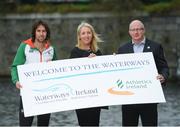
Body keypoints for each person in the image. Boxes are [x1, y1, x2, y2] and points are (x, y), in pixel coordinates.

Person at [117, 19, 169, 126]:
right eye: (133, 30)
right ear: (129, 32)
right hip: (129, 99)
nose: (136, 32)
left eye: (139, 29)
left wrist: (163, 76)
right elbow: (118, 73)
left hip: (149, 98)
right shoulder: (122, 49)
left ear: (144, 30)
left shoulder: (155, 47)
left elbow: (164, 67)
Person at [11, 20, 57, 126]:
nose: (41, 33)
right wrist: (16, 80)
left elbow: (57, 70)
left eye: (44, 31)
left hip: (46, 95)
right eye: (39, 31)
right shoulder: (25, 46)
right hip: (28, 94)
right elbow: (15, 67)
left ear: (47, 33)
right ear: (34, 32)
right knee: (25, 125)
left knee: (43, 125)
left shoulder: (51, 49)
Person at [70, 22, 107, 126]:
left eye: (88, 33)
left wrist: (111, 60)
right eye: (83, 33)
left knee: (95, 124)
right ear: (79, 36)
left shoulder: (97, 52)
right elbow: (72, 75)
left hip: (96, 97)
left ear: (92, 34)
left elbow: (104, 74)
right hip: (81, 97)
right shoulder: (75, 52)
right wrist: (86, 61)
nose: (86, 35)